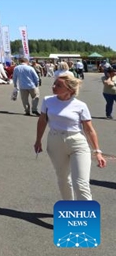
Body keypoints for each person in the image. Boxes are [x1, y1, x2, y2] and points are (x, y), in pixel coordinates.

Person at [34, 72, 106, 200]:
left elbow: (89, 129)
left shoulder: (80, 105)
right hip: (55, 141)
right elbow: (42, 121)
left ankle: (86, 217)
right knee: (63, 179)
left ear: (70, 89)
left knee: (81, 183)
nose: (53, 86)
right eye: (54, 83)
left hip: (77, 142)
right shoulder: (47, 101)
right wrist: (38, 140)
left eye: (58, 85)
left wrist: (97, 151)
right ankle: (70, 210)